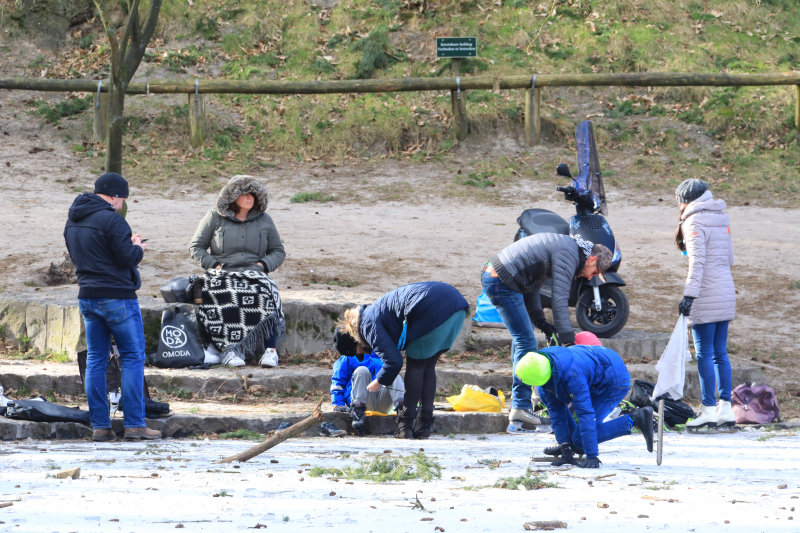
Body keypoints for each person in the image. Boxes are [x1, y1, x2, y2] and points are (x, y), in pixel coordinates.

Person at [482, 233, 613, 433]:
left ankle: (520, 405)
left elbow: (534, 287)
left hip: (499, 276)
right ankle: (520, 408)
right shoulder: (570, 254)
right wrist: (569, 342)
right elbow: (559, 300)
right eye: (594, 272)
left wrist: (541, 322)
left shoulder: (568, 249)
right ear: (593, 259)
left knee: (523, 339)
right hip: (501, 279)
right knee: (526, 341)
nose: (589, 277)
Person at [63, 172, 161, 442]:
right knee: (131, 358)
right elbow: (127, 257)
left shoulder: (73, 221)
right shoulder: (113, 220)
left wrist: (123, 246)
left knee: (96, 359)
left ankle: (101, 427)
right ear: (115, 196)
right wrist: (137, 247)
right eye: (123, 199)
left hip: (88, 296)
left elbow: (93, 255)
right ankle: (135, 425)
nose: (121, 205)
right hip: (118, 297)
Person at [336, 282, 469, 440]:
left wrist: (379, 381)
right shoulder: (374, 313)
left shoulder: (367, 325)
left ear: (356, 340)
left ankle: (405, 427)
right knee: (427, 366)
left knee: (417, 366)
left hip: (433, 307)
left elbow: (394, 361)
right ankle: (423, 427)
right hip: (457, 306)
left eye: (362, 350)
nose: (367, 351)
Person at [190, 175, 286, 368]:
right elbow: (196, 247)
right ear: (232, 197)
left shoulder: (265, 220)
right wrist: (215, 265)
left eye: (253, 194)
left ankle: (270, 351)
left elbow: (278, 251)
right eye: (244, 194)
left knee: (266, 292)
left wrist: (262, 266)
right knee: (223, 294)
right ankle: (229, 350)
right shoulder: (214, 217)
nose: (250, 198)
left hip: (254, 273)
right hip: (222, 273)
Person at [516, 339, 654, 469]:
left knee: (580, 441)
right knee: (572, 435)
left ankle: (635, 418)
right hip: (595, 375)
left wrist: (592, 455)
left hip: (614, 381)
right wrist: (565, 447)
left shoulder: (573, 377)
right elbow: (557, 414)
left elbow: (586, 414)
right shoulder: (544, 372)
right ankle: (571, 443)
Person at [674, 179, 736, 429]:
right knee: (721, 353)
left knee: (704, 355)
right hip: (726, 290)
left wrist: (689, 296)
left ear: (686, 200)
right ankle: (726, 410)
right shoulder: (722, 217)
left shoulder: (693, 221)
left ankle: (708, 409)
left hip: (705, 294)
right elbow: (729, 258)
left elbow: (696, 262)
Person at [330, 329, 405, 434]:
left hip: (382, 400)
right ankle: (358, 414)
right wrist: (337, 404)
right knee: (362, 370)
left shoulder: (382, 354)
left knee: (394, 375)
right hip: (361, 400)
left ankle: (403, 413)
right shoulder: (347, 358)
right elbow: (338, 383)